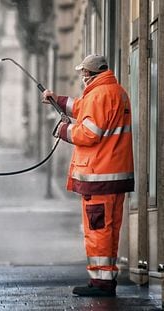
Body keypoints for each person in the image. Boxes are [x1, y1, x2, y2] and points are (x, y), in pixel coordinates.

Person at [42, 54, 134, 297]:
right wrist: (57, 100)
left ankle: (101, 283)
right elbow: (82, 108)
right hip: (114, 175)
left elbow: (88, 134)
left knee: (97, 230)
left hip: (98, 175)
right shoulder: (115, 91)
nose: (82, 77)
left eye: (84, 73)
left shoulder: (98, 94)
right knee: (109, 229)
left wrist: (63, 129)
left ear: (90, 73)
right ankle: (104, 278)